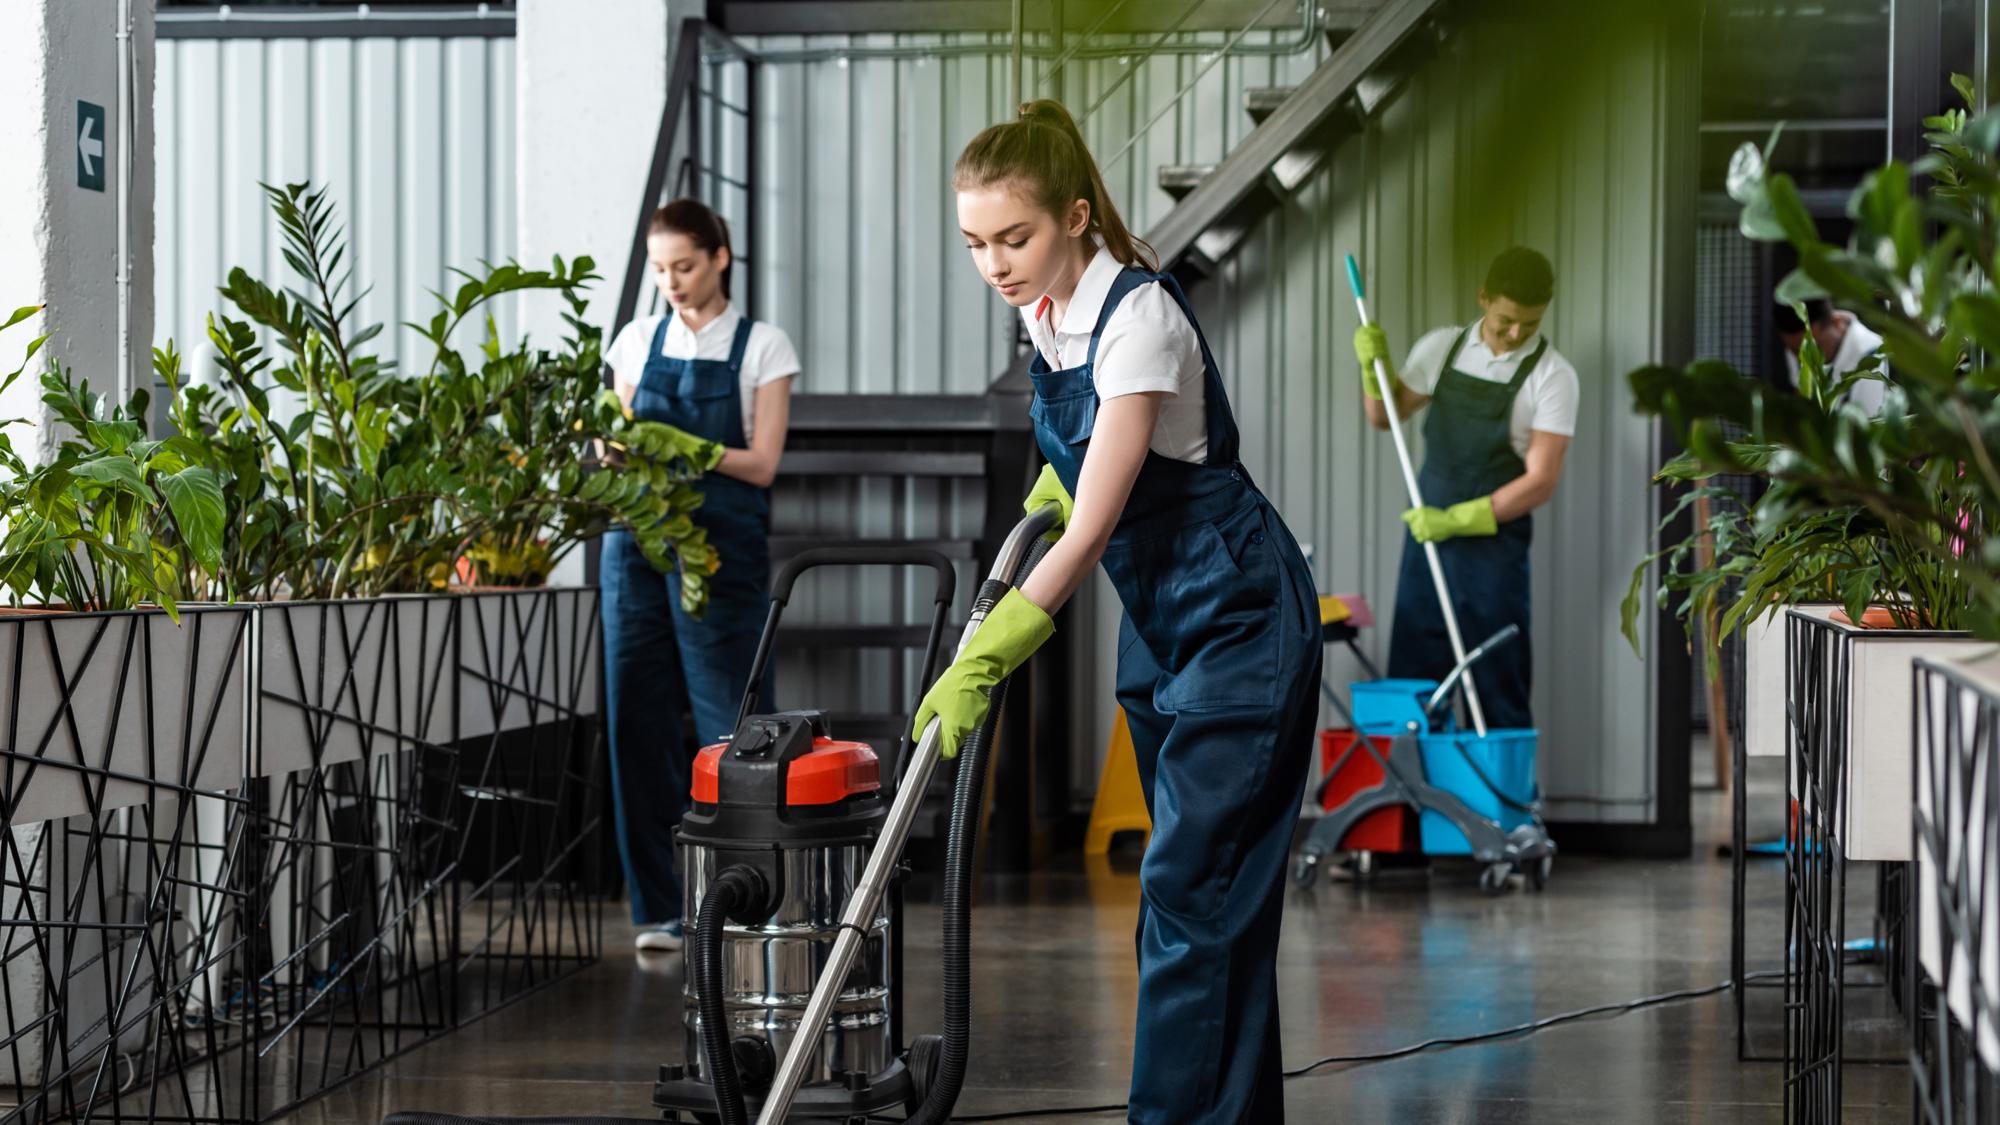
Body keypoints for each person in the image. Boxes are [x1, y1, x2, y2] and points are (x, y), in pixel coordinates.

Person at [918, 100, 1321, 1125]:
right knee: (1205, 902)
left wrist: (987, 650)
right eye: (975, 243)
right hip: (1158, 630)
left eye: (1016, 238)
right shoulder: (1044, 311)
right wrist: (1056, 481)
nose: (996, 265)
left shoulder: (1137, 317)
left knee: (1192, 893)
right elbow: (1087, 473)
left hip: (1236, 620)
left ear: (1077, 218)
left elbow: (1090, 531)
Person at [600, 199, 800, 953]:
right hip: (636, 548)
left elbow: (762, 463)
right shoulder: (635, 340)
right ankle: (658, 907)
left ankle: (743, 901)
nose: (671, 282)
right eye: (660, 270)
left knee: (734, 724)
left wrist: (677, 443)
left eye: (683, 265)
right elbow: (613, 444)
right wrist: (610, 454)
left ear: (720, 257)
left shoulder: (763, 347)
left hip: (721, 549)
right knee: (636, 720)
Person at [1351, 246, 1578, 732]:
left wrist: (1458, 518)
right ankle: (1414, 807)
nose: (1515, 334)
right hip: (1427, 545)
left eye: (1530, 324)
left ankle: (1502, 805)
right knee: (1416, 684)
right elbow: (1382, 415)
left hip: (1493, 556)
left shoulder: (1553, 377)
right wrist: (1374, 369)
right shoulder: (1442, 349)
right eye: (1505, 321)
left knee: (1499, 682)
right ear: (1483, 298)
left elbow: (1540, 482)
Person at [1776, 298, 1886, 413]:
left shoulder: (1874, 358)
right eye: (1794, 350)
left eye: (1814, 348)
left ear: (1836, 322)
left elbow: (1868, 425)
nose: (1802, 358)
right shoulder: (1797, 349)